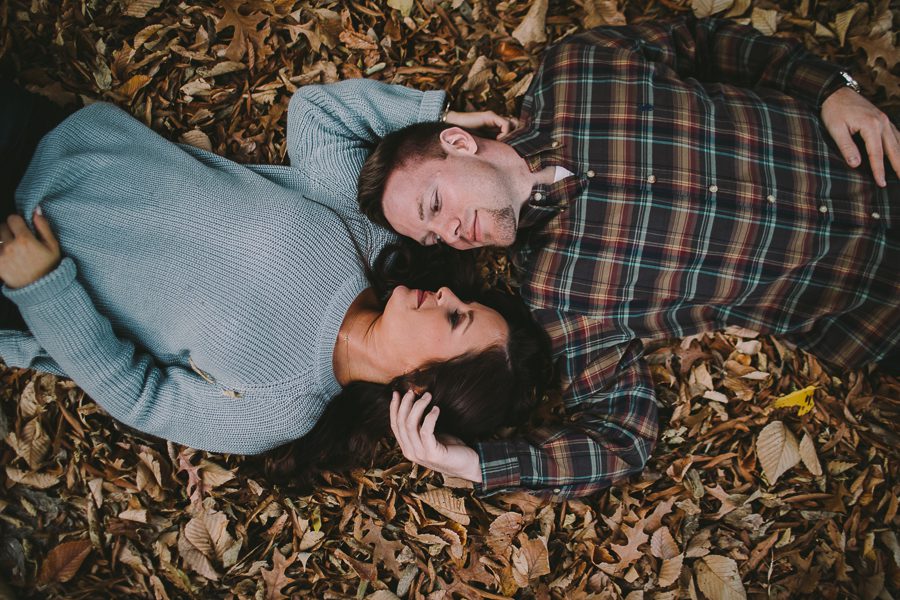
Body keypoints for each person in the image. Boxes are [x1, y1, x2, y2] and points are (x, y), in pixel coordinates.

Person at [356, 17, 900, 497]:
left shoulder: (578, 70)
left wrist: (831, 88)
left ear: (459, 142)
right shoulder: (557, 294)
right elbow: (622, 438)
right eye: (433, 237)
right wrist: (475, 465)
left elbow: (707, 40)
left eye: (434, 204)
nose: (450, 232)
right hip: (881, 302)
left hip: (883, 150)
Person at [0, 80, 551, 486]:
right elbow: (318, 116)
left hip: (15, 272)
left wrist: (43, 287)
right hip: (61, 147)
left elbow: (140, 396)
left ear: (418, 387)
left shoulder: (279, 411)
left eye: (456, 318)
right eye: (465, 301)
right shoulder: (369, 242)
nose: (449, 295)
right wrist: (439, 116)